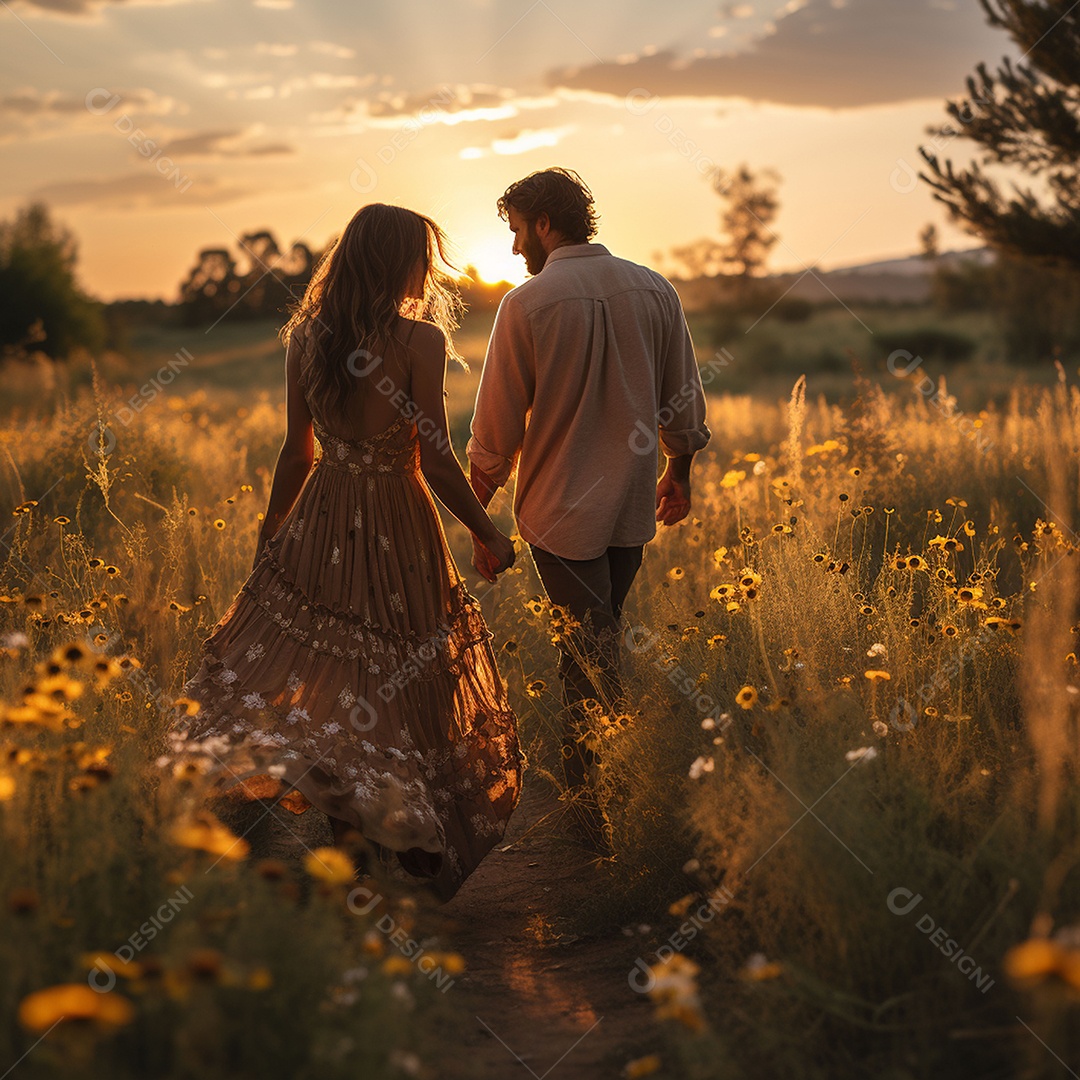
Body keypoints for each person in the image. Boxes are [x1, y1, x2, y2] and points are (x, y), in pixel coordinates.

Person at [169, 204, 522, 901]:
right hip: (400, 517)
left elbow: (296, 452)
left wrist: (274, 531)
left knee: (336, 674)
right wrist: (487, 531)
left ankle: (352, 844)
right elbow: (439, 458)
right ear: (398, 263)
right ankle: (415, 827)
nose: (431, 268)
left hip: (325, 517)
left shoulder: (308, 337)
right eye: (423, 254)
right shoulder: (419, 340)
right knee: (413, 665)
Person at [466, 167, 710, 848]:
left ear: (545, 223)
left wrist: (477, 517)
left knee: (590, 654)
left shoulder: (527, 304)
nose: (514, 249)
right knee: (597, 645)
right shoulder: (654, 289)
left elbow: (496, 429)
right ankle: (606, 797)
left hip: (560, 511)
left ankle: (593, 811)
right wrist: (678, 469)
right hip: (628, 505)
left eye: (516, 230)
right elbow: (682, 396)